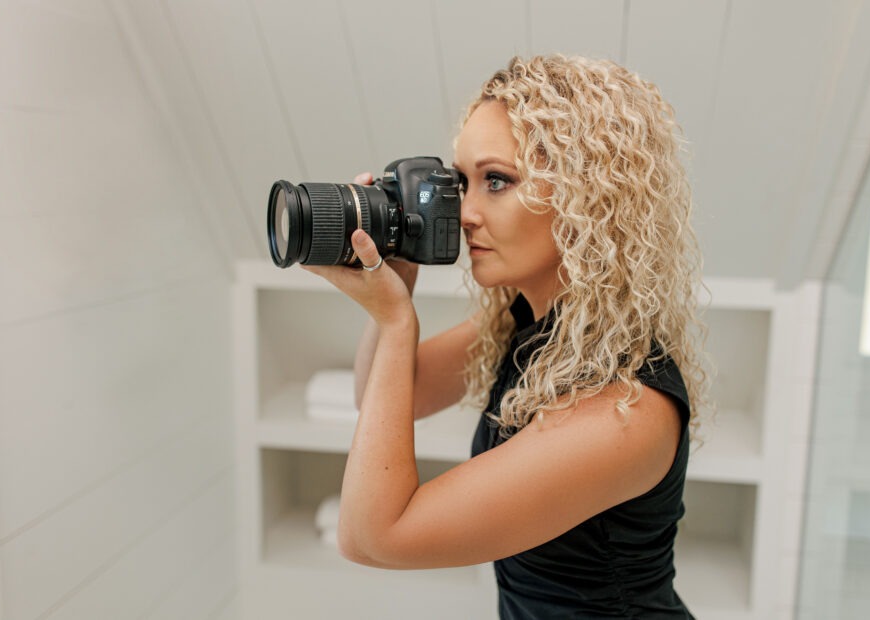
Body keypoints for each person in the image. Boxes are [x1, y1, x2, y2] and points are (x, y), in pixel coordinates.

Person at [302, 54, 709, 619]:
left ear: (584, 197)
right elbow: (384, 394)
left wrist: (398, 324)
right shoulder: (533, 326)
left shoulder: (626, 409)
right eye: (461, 181)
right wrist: (394, 295)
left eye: (496, 181)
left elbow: (372, 537)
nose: (465, 212)